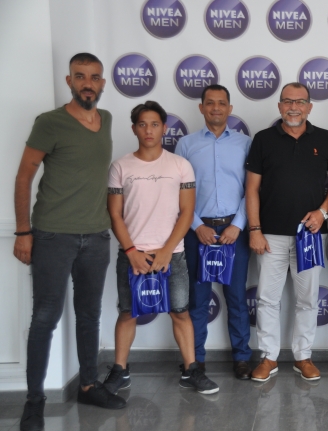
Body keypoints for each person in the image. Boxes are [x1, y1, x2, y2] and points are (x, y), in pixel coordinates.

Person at [13, 53, 126, 431]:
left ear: (102, 83)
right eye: (80, 77)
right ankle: (34, 402)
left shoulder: (106, 119)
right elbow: (24, 176)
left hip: (96, 236)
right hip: (52, 235)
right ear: (69, 81)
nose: (87, 84)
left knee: (90, 315)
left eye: (94, 77)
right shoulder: (49, 122)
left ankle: (89, 385)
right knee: (45, 318)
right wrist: (23, 232)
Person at [104, 101, 219, 396]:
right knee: (128, 313)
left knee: (180, 312)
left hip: (173, 255)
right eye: (142, 124)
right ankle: (119, 370)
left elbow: (187, 212)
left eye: (154, 124)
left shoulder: (180, 165)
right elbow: (115, 214)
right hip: (133, 255)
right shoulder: (120, 166)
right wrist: (131, 252)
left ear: (164, 128)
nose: (149, 130)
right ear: (134, 129)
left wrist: (167, 250)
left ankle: (191, 370)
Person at [245, 82, 328, 383]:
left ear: (309, 107)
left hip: (309, 235)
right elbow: (252, 188)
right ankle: (268, 357)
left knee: (308, 299)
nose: (293, 107)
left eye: (299, 102)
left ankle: (303, 357)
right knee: (267, 299)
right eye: (287, 101)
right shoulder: (263, 139)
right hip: (270, 234)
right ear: (279, 106)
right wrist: (255, 229)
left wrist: (323, 212)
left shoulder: (325, 139)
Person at [175, 85, 253, 380]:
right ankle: (195, 360)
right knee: (198, 300)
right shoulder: (186, 145)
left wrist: (237, 225)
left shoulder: (245, 144)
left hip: (235, 232)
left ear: (230, 109)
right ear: (201, 108)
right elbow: (178, 192)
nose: (216, 108)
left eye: (222, 103)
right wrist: (197, 226)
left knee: (237, 299)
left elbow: (252, 190)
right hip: (198, 233)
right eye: (210, 103)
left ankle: (242, 358)